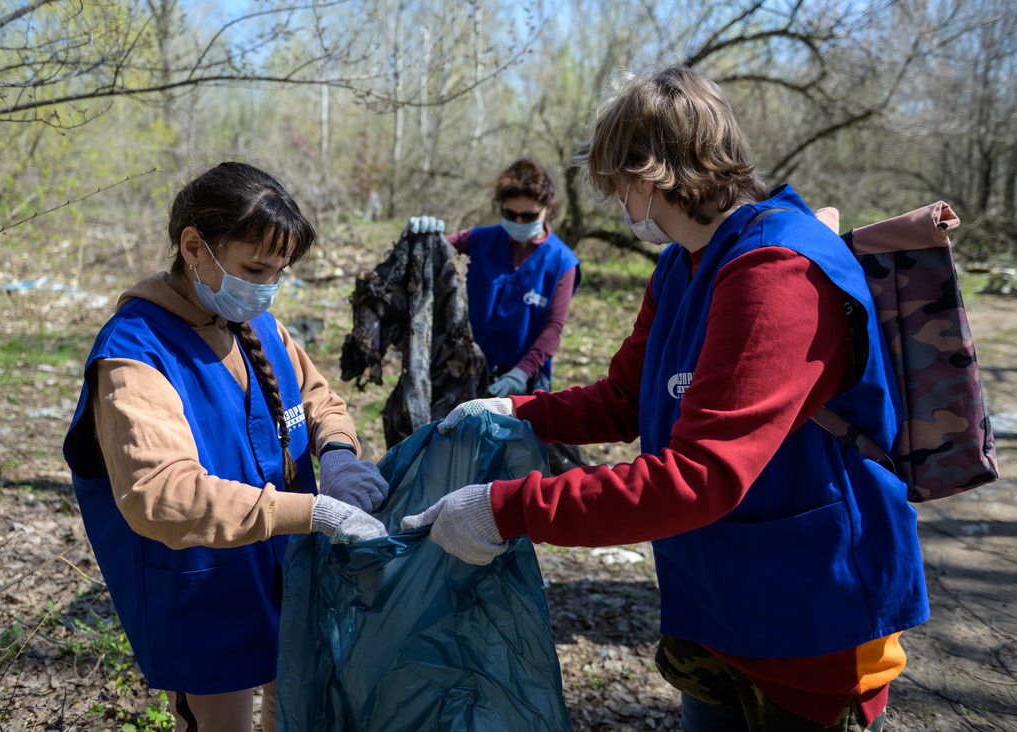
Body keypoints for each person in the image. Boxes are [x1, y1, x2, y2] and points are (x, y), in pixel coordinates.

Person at [402, 66, 928, 731]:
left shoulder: (777, 275)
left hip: (810, 621)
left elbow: (701, 476)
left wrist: (507, 510)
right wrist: (516, 410)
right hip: (714, 603)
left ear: (648, 176)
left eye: (615, 182)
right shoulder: (683, 262)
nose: (614, 198)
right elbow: (627, 398)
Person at [63, 161, 388, 732]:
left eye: (279, 273)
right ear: (194, 247)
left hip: (284, 569)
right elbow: (162, 494)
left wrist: (335, 455)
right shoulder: (134, 354)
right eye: (255, 268)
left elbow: (319, 401)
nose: (266, 288)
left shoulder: (260, 328)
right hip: (201, 588)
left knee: (295, 711)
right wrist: (311, 511)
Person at [411, 158, 581, 397]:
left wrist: (522, 373)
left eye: (529, 216)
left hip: (523, 380)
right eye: (510, 214)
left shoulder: (562, 261)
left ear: (548, 209)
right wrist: (420, 235)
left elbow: (553, 328)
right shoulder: (478, 240)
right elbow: (427, 254)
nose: (519, 222)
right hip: (467, 373)